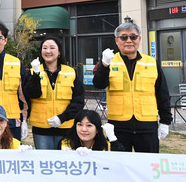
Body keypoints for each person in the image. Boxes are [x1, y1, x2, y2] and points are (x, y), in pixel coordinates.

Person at [92, 22, 172, 153]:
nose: (129, 40)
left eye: (133, 37)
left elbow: (162, 94)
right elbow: (99, 84)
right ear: (117, 41)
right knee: (119, 164)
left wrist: (165, 121)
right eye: (124, 37)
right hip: (118, 125)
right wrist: (104, 65)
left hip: (147, 125)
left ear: (139, 39)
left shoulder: (151, 63)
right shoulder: (108, 61)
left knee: (147, 163)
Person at [22, 36, 84, 150]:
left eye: (52, 48)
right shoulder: (33, 72)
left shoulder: (70, 73)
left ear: (59, 52)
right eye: (44, 48)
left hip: (66, 127)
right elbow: (32, 94)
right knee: (45, 159)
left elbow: (78, 101)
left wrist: (62, 118)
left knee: (65, 160)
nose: (48, 51)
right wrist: (36, 75)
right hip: (41, 129)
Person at [60, 110, 125, 153]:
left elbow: (121, 160)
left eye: (89, 125)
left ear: (97, 129)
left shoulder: (107, 146)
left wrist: (113, 139)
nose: (84, 129)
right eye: (80, 125)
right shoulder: (64, 143)